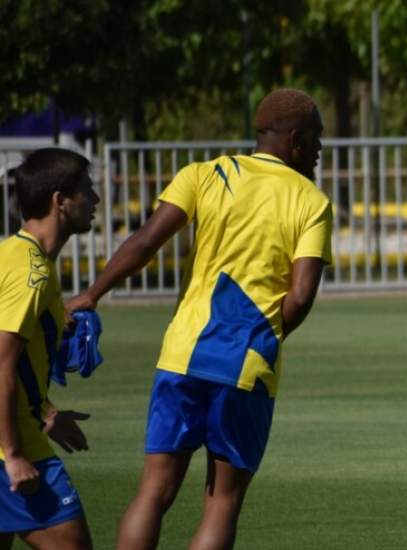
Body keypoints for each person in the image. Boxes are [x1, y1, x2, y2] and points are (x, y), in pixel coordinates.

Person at [65, 88, 332, 550]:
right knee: (222, 503)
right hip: (246, 367)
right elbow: (302, 294)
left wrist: (91, 294)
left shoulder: (205, 174)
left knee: (154, 492)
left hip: (182, 356)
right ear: (295, 140)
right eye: (316, 138)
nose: (320, 149)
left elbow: (145, 242)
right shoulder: (311, 202)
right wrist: (264, 338)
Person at [0, 148, 99, 549]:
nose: (95, 200)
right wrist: (13, 454)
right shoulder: (31, 273)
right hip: (13, 449)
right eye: (87, 190)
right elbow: (1, 365)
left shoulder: (15, 254)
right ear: (60, 200)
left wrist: (45, 411)